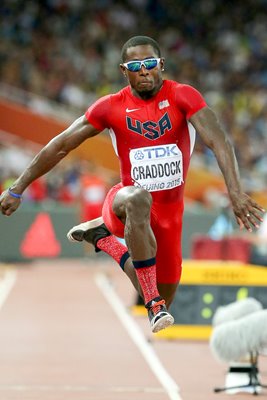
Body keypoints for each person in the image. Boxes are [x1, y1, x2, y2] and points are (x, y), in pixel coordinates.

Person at [0, 36, 265, 333]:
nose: (144, 71)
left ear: (161, 64)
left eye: (150, 64)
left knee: (164, 294)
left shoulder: (183, 97)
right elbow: (60, 145)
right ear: (123, 71)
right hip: (125, 202)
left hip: (170, 215)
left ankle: (104, 240)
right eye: (135, 66)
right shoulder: (110, 107)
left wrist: (236, 192)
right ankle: (153, 302)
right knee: (138, 199)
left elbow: (219, 140)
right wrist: (17, 187)